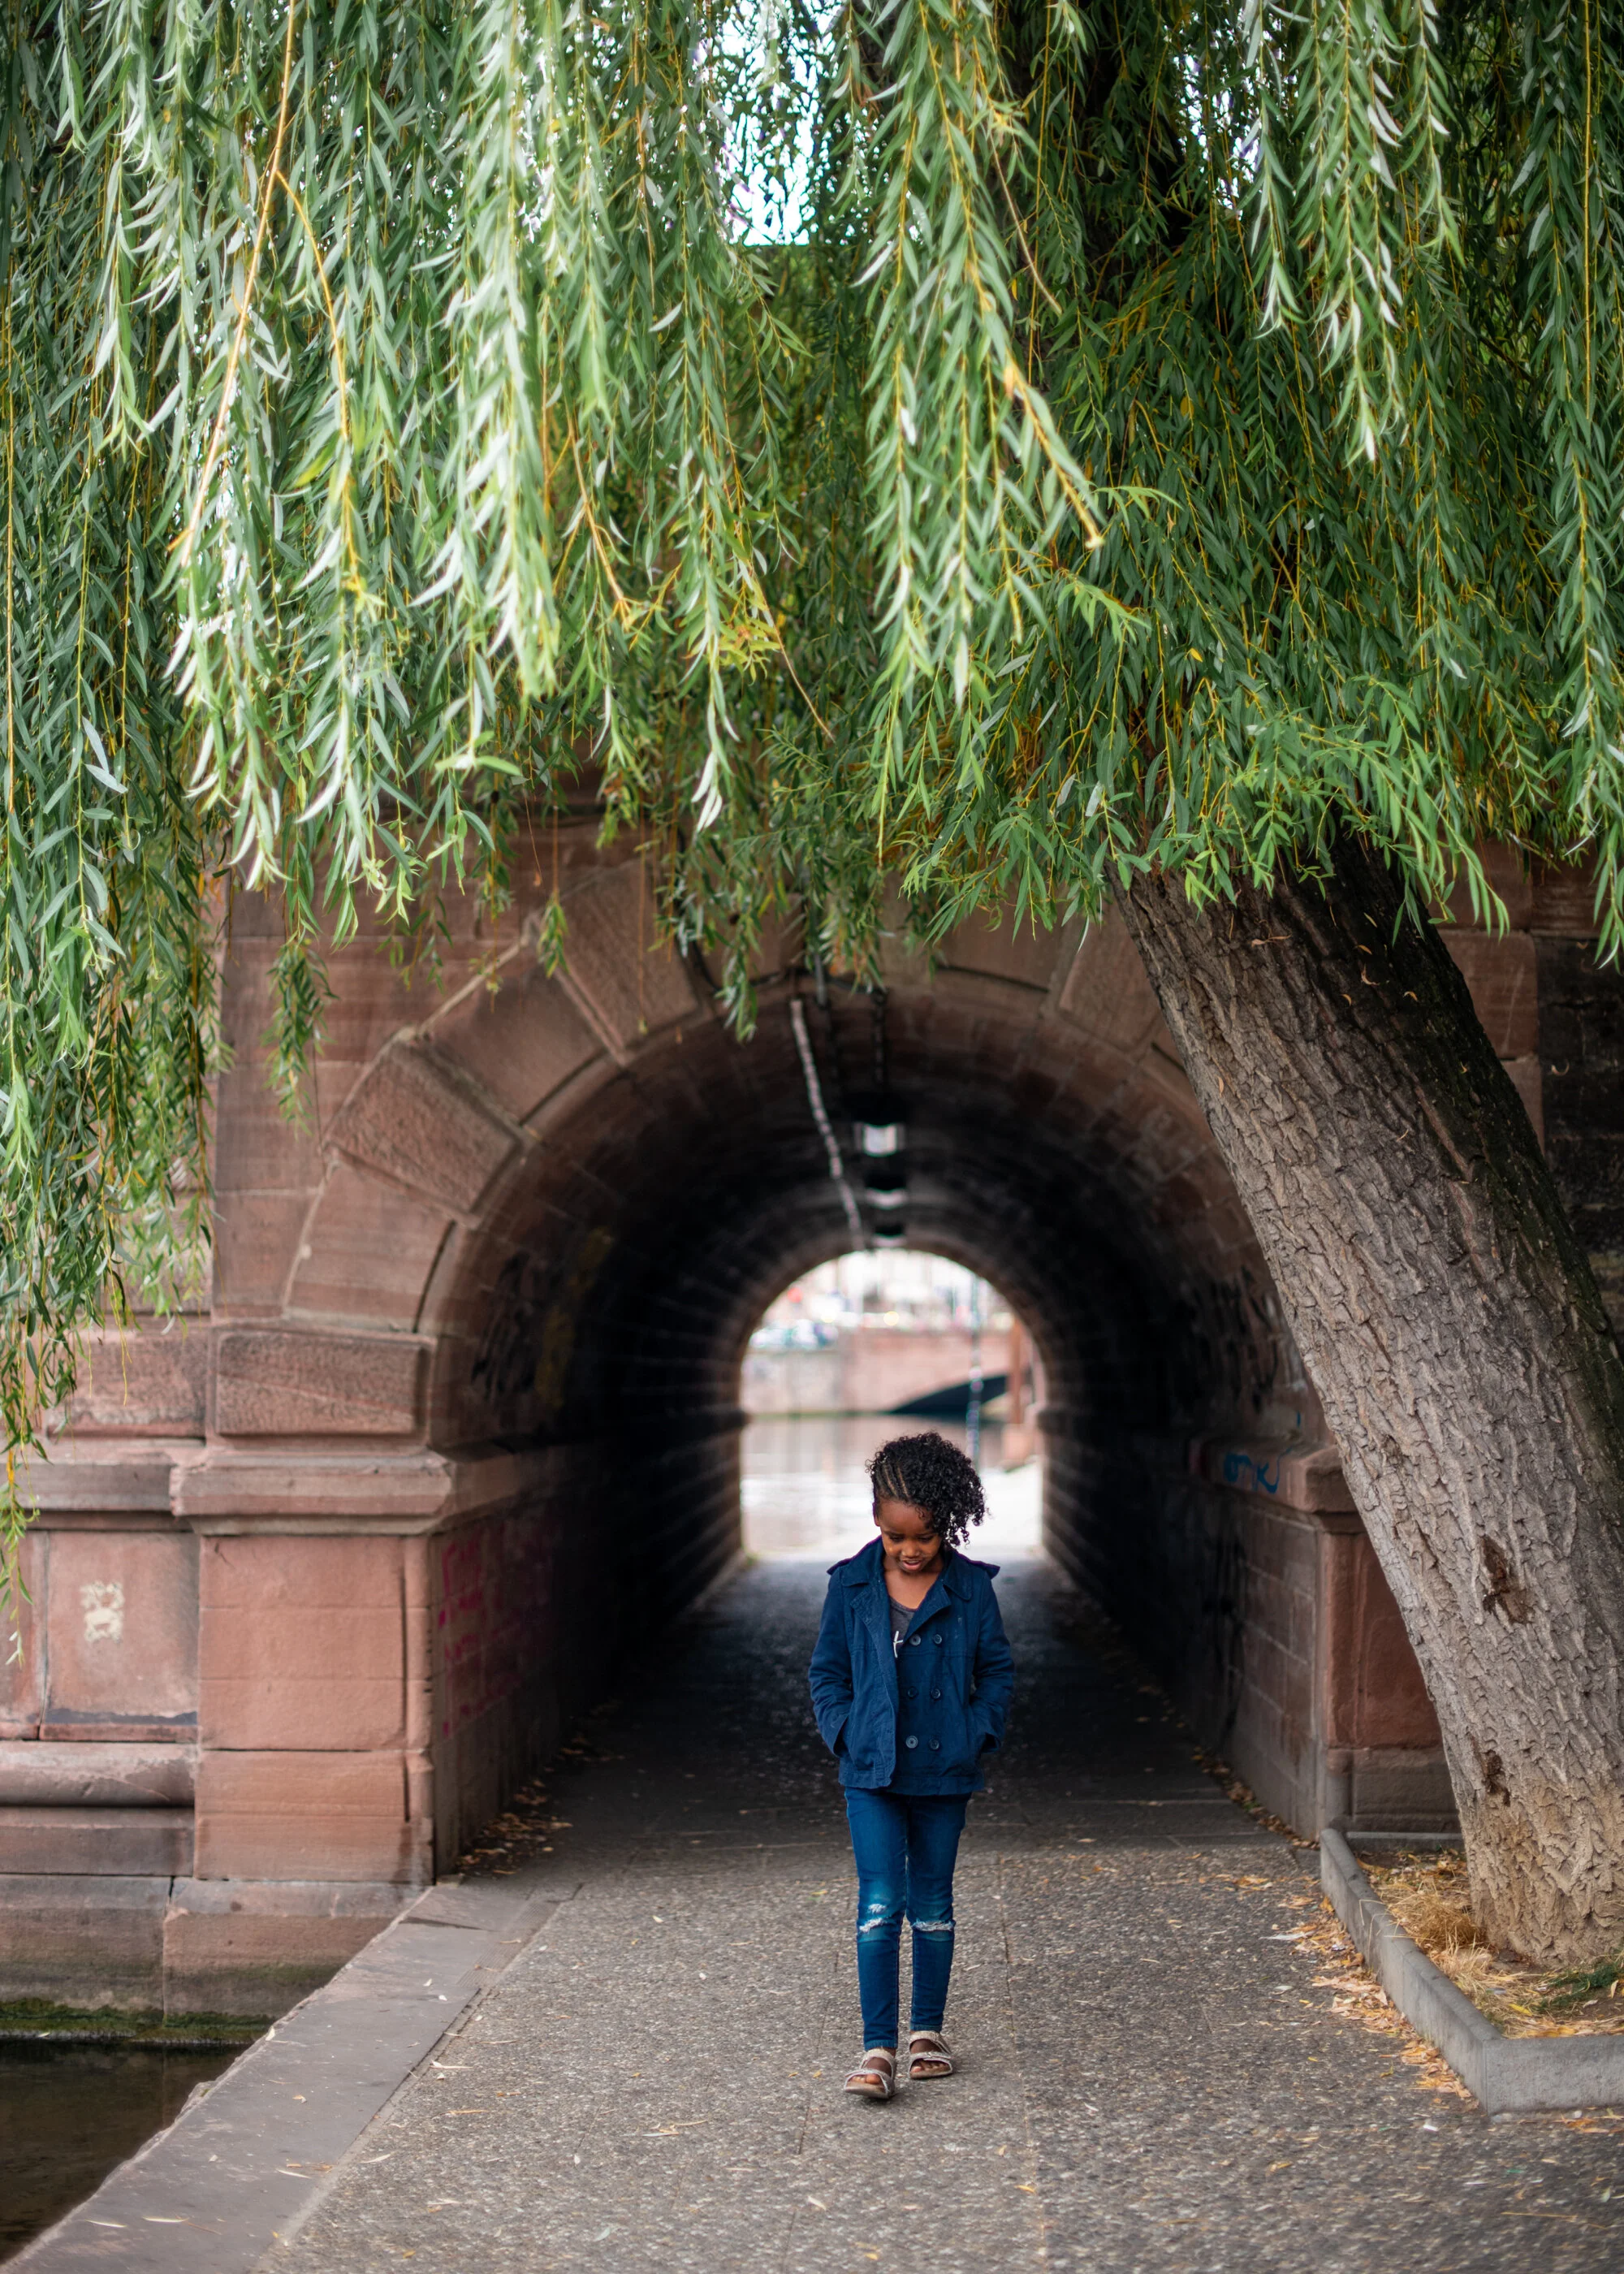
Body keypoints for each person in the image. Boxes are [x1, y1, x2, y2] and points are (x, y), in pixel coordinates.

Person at [807, 1431, 1015, 2101]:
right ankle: (877, 2046)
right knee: (877, 1905)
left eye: (923, 1536)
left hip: (943, 1772)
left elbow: (998, 1673)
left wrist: (973, 1733)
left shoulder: (971, 1591)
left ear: (946, 1524)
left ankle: (927, 2030)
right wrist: (844, 1733)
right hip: (870, 1772)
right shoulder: (851, 1585)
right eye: (897, 1537)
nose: (910, 1550)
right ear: (876, 1519)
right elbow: (827, 1673)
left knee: (931, 1904)